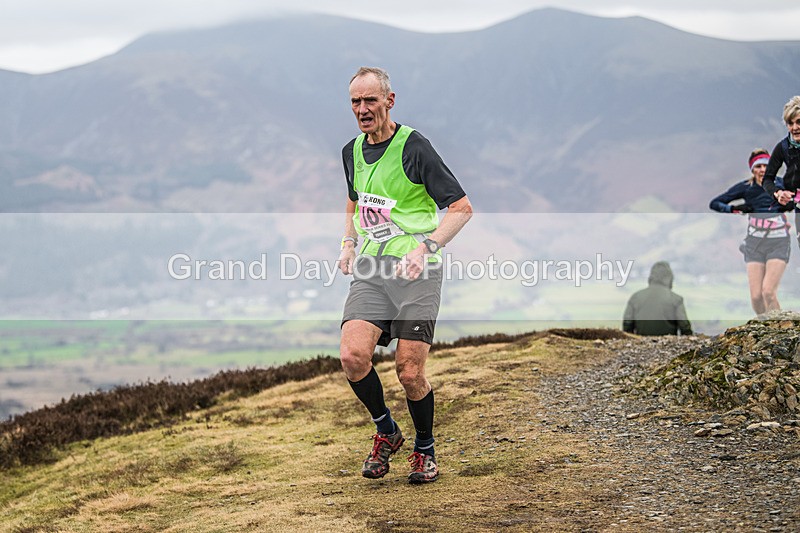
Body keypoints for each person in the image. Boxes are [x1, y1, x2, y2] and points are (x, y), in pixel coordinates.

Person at [336, 67, 472, 484]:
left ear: (389, 101)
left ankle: (425, 449)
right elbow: (354, 202)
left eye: (370, 100)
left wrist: (427, 247)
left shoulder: (415, 147)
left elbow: (462, 208)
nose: (362, 109)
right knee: (352, 356)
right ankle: (387, 431)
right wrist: (348, 242)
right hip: (374, 270)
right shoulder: (351, 151)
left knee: (410, 372)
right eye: (356, 102)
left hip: (417, 272)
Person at [709, 149, 791, 314]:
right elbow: (715, 203)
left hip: (778, 241)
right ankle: (764, 330)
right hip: (754, 243)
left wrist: (790, 204)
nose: (762, 170)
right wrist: (734, 209)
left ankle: (779, 331)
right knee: (756, 296)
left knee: (768, 291)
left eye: (766, 166)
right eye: (758, 166)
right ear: (752, 169)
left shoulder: (782, 185)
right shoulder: (746, 188)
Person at [762, 96, 800, 246]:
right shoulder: (782, 148)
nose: (794, 127)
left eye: (799, 122)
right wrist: (778, 193)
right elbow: (767, 179)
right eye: (790, 123)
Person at [622, 261, 692, 336]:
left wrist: (633, 341)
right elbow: (684, 326)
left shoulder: (635, 297)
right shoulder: (676, 299)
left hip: (641, 343)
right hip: (668, 345)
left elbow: (627, 324)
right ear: (669, 278)